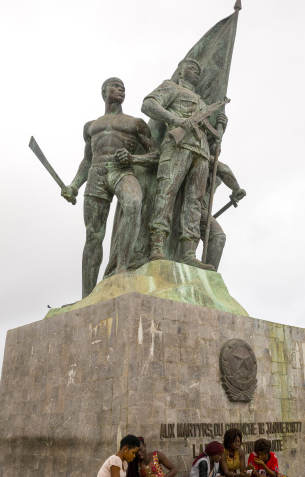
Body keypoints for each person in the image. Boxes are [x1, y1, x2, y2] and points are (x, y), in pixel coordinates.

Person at [61, 77, 159, 298]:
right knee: (93, 235)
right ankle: (86, 297)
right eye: (116, 86)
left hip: (122, 170)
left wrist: (133, 158)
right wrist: (74, 185)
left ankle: (121, 268)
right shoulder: (91, 127)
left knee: (134, 203)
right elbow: (87, 160)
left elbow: (156, 155)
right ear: (104, 92)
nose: (121, 89)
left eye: (123, 87)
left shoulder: (135, 123)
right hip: (96, 173)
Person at [141, 58, 223, 270]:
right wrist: (176, 120)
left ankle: (188, 252)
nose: (196, 73)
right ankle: (157, 246)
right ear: (181, 71)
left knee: (193, 202)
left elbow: (212, 136)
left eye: (198, 70)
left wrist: (220, 127)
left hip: (201, 151)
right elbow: (148, 104)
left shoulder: (203, 103)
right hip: (177, 146)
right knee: (166, 193)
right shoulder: (171, 87)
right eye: (192, 69)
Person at [200, 157, 246, 271]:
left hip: (202, 208)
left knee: (218, 237)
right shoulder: (200, 150)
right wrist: (236, 189)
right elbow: (223, 169)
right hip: (190, 205)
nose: (218, 150)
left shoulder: (211, 161)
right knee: (217, 236)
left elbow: (221, 169)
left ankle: (207, 279)